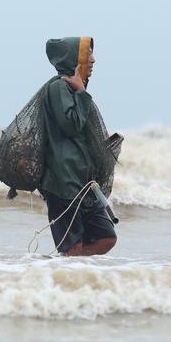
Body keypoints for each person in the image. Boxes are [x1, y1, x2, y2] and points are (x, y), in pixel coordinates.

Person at [39, 37, 117, 256]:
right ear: (73, 59)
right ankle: (67, 275)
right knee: (73, 246)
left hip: (84, 183)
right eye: (87, 54)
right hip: (63, 182)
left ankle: (68, 268)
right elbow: (71, 125)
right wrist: (82, 92)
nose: (93, 60)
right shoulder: (58, 88)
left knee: (107, 238)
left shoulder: (72, 89)